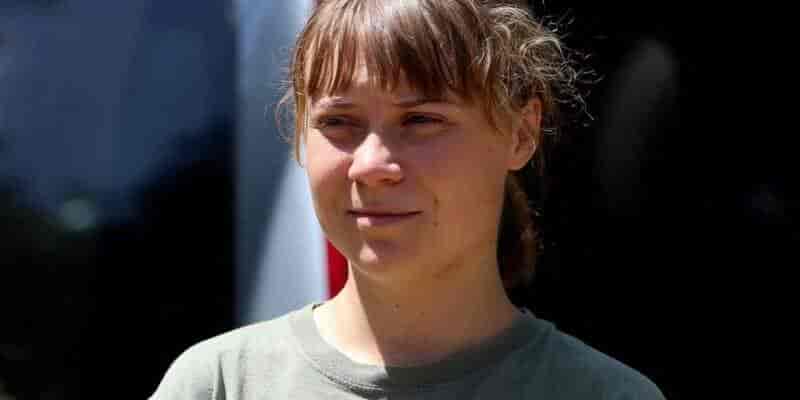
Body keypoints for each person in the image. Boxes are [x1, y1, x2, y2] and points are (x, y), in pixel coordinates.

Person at [150, 0, 666, 398]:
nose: (371, 164)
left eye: (421, 120)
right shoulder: (219, 384)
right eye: (338, 121)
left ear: (521, 132)